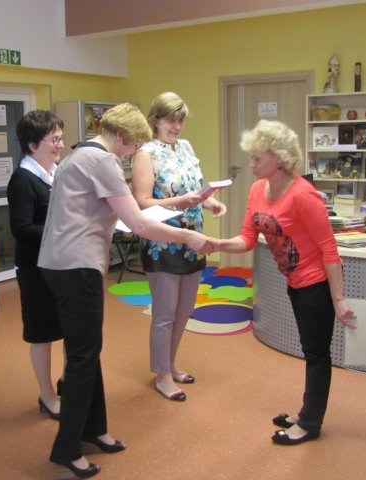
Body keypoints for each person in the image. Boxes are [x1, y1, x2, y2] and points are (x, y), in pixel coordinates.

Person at [38, 103, 210, 478]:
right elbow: (138, 223)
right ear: (119, 136)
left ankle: (94, 429)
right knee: (82, 358)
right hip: (76, 266)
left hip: (59, 262)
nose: (133, 154)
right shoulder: (103, 161)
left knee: (87, 352)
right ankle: (67, 449)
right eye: (133, 146)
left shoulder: (78, 153)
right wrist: (187, 236)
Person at [205, 119, 355, 446]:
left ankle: (309, 423)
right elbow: (247, 239)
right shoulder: (257, 189)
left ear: (280, 159)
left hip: (315, 284)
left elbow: (329, 249)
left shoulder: (303, 195)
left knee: (316, 354)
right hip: (294, 282)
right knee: (309, 350)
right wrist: (216, 244)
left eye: (257, 158)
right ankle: (306, 412)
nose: (251, 164)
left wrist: (338, 299)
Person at [131, 92, 226, 402]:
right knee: (165, 313)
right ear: (155, 120)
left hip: (192, 240)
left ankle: (170, 363)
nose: (176, 126)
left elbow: (195, 191)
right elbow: (142, 202)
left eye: (181, 120)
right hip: (162, 242)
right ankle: (161, 375)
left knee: (184, 310)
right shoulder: (145, 154)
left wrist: (210, 203)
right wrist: (180, 202)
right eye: (170, 120)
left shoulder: (185, 147)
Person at [7, 110, 65, 421]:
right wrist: (62, 230)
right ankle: (47, 395)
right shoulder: (22, 180)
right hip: (35, 270)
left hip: (61, 265)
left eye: (60, 138)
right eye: (54, 140)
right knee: (42, 334)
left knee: (69, 328)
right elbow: (21, 228)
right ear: (32, 145)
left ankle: (68, 383)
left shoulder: (56, 173)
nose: (60, 145)